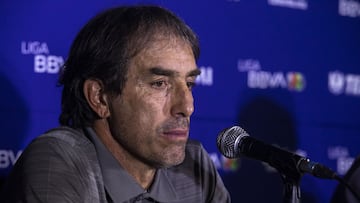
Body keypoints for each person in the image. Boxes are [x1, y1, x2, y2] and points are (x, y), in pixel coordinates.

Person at [0, 5, 231, 203]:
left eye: (189, 83)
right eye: (160, 83)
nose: (187, 107)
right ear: (100, 97)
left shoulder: (195, 168)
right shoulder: (58, 161)